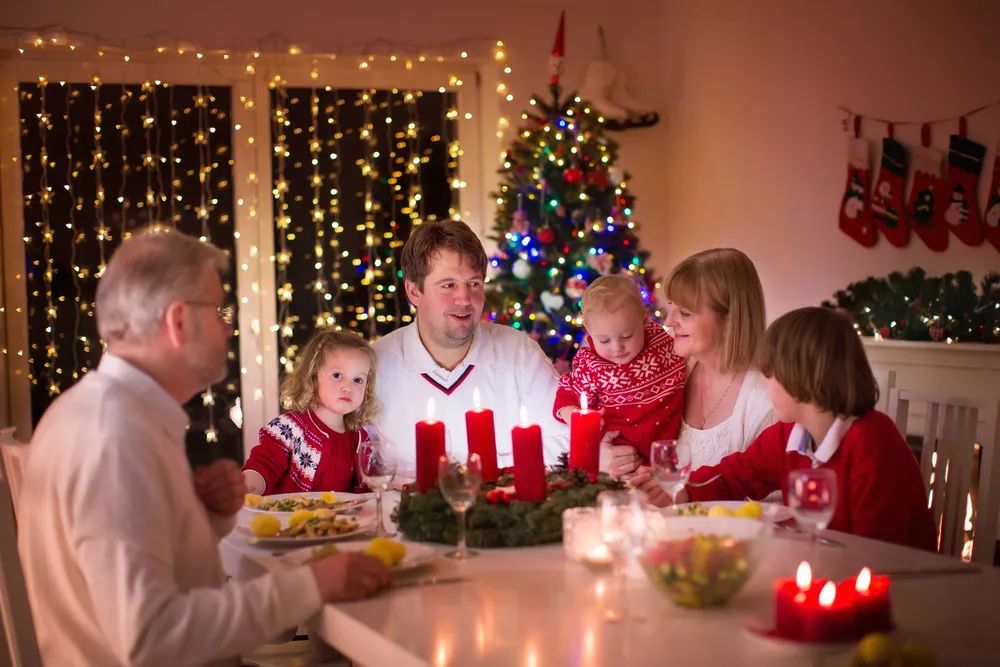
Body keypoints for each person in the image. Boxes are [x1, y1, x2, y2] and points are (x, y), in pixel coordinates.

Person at [17, 227, 391, 666]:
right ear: (178, 321)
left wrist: (204, 519)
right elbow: (154, 638)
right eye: (219, 311)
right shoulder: (114, 439)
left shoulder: (109, 415)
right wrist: (312, 585)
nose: (228, 328)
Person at [648, 307, 936, 550]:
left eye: (769, 375)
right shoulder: (792, 434)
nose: (765, 384)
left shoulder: (872, 441)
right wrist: (683, 490)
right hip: (828, 568)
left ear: (800, 378)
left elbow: (875, 550)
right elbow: (736, 475)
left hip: (896, 589)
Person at [372, 220, 568, 478]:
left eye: (474, 283)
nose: (465, 299)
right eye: (448, 285)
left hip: (504, 512)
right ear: (413, 291)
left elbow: (564, 443)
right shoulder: (375, 365)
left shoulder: (520, 353)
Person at [604, 248, 775, 485]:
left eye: (684, 313)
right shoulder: (671, 371)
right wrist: (608, 457)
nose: (669, 322)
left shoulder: (764, 399)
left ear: (729, 319)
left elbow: (774, 506)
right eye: (671, 306)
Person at [552, 275, 686, 462]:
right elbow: (567, 395)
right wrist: (575, 415)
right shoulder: (590, 364)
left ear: (644, 319)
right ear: (588, 330)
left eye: (626, 336)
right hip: (621, 457)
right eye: (604, 340)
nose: (617, 348)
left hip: (668, 452)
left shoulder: (662, 342)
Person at [243, 328, 377, 495]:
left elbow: (365, 493)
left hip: (339, 520)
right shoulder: (289, 428)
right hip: (288, 520)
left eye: (358, 380)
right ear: (313, 375)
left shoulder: (360, 440)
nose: (348, 387)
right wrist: (248, 487)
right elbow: (264, 464)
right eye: (337, 375)